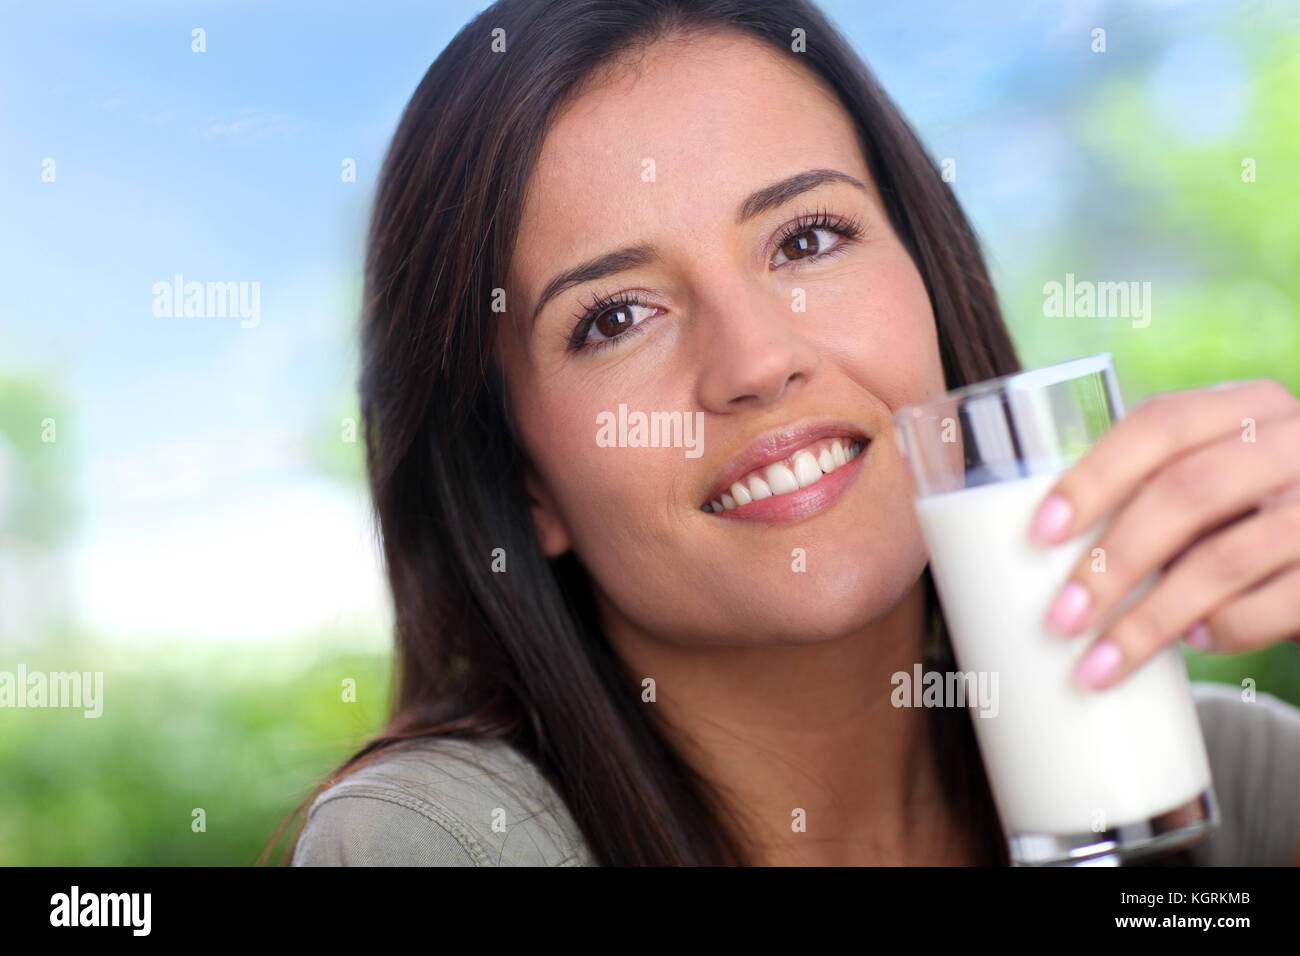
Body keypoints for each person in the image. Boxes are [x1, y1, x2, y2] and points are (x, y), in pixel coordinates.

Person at [274, 0, 1300, 866]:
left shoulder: (1237, 784)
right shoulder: (441, 839)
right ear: (522, 481)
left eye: (807, 238)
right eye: (616, 316)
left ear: (930, 279)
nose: (758, 361)